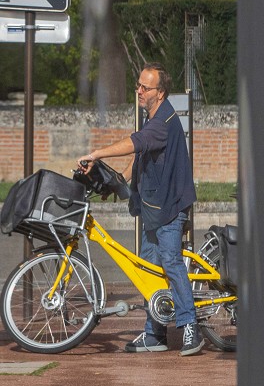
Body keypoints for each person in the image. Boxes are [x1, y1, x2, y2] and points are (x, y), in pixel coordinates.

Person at [79, 64, 202, 356]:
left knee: (170, 263)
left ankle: (190, 328)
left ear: (159, 92)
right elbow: (142, 156)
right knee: (149, 269)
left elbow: (136, 143)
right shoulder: (153, 118)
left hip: (169, 207)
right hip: (152, 207)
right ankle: (154, 333)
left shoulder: (163, 121)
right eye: (138, 85)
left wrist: (96, 153)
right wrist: (119, 179)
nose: (139, 91)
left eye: (144, 88)